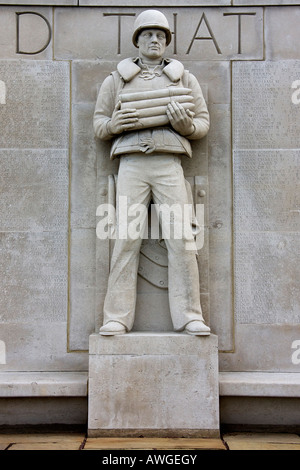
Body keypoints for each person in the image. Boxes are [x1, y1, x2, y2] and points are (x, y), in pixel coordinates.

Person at [94, 10, 211, 336]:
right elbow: (100, 124)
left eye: (161, 35)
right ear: (138, 39)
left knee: (182, 240)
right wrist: (114, 125)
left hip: (168, 166)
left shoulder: (183, 78)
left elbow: (202, 123)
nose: (155, 40)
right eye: (148, 34)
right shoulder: (116, 80)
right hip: (131, 166)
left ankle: (189, 316)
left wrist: (185, 125)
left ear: (167, 41)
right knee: (125, 239)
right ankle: (117, 317)